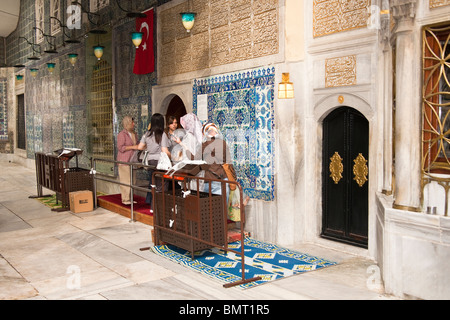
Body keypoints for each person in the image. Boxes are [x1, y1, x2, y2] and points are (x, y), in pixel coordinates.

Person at [137, 113, 171, 211]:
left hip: (150, 162)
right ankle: (159, 209)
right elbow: (164, 151)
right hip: (159, 163)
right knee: (162, 185)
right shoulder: (162, 134)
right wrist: (171, 155)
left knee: (153, 185)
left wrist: (148, 147)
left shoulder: (147, 134)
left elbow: (139, 147)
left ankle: (153, 206)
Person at [116, 116, 139, 205]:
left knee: (133, 181)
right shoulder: (122, 134)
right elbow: (120, 147)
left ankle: (130, 198)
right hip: (124, 161)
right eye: (132, 122)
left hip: (133, 160)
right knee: (126, 180)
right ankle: (125, 199)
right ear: (128, 123)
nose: (133, 124)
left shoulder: (134, 134)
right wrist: (133, 147)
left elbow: (137, 144)